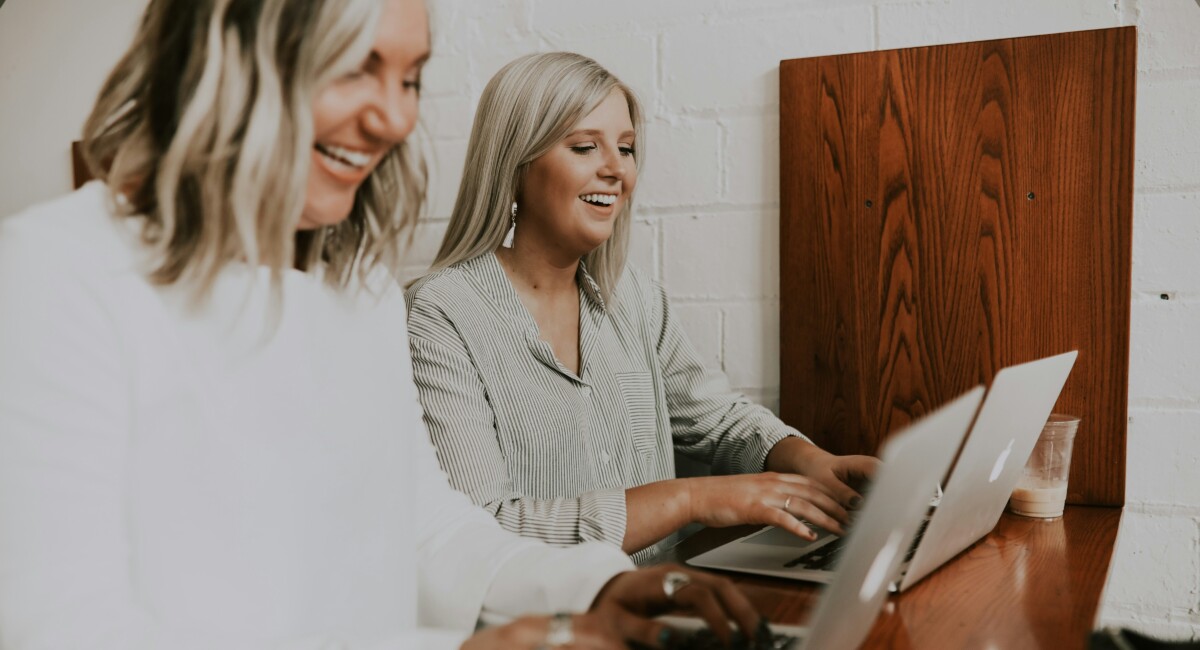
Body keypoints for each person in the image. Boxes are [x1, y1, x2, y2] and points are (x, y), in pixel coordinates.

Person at [0, 3, 763, 648]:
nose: (395, 116)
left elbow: (429, 532)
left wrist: (597, 588)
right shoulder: (57, 273)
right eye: (354, 67)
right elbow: (69, 627)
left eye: (410, 77)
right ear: (230, 55)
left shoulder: (356, 288)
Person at [406, 52, 880, 561]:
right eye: (586, 147)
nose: (616, 169)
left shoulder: (633, 298)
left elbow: (717, 420)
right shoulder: (439, 314)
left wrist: (809, 461)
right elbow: (484, 530)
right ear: (515, 164)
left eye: (627, 149)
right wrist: (691, 499)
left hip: (663, 605)